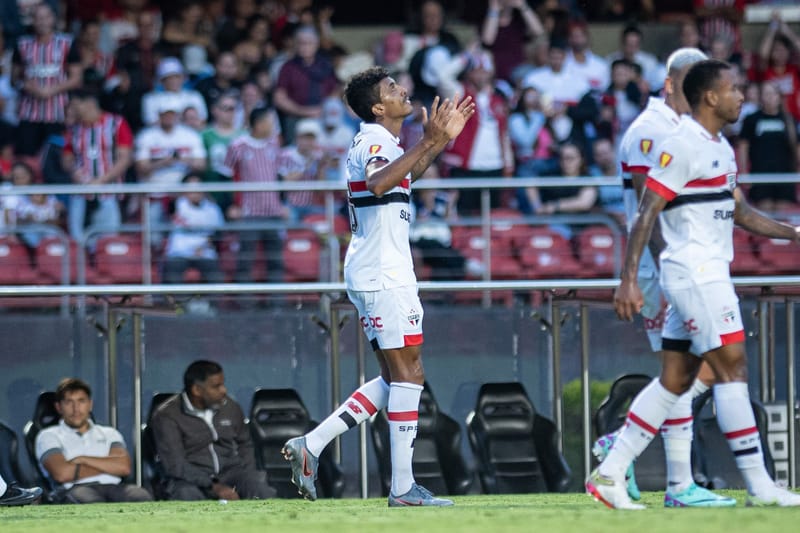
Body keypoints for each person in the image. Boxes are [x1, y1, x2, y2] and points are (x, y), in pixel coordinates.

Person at [587, 59, 800, 510]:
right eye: (734, 89)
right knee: (732, 369)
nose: (741, 96)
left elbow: (739, 211)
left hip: (705, 272)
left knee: (676, 381)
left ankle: (610, 471)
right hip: (695, 273)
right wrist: (628, 279)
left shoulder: (719, 146)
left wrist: (793, 232)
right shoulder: (681, 144)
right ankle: (760, 485)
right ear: (710, 96)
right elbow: (646, 212)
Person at [282, 66, 474, 507]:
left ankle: (312, 444)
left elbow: (403, 177)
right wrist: (429, 140)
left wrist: (439, 142)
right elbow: (379, 181)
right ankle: (402, 488)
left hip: (380, 269)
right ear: (377, 108)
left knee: (396, 377)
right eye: (391, 88)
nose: (402, 89)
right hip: (382, 272)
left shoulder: (384, 142)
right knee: (410, 374)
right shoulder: (375, 141)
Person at [591, 48, 738, 509]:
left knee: (692, 371)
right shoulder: (649, 131)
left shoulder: (685, 130)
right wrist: (661, 273)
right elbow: (648, 212)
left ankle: (627, 448)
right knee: (689, 370)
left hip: (680, 267)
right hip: (664, 270)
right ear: (672, 83)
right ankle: (676, 483)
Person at [150, 360, 274, 501]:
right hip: (188, 479)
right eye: (216, 386)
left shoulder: (230, 407)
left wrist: (248, 472)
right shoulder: (167, 415)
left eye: (223, 384)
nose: (224, 390)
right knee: (185, 494)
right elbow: (175, 464)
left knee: (259, 488)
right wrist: (213, 485)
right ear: (196, 390)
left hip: (231, 472)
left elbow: (245, 444)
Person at [35, 378, 153, 504]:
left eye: (81, 401)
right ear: (59, 407)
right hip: (74, 489)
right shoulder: (48, 436)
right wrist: (109, 466)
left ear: (90, 404)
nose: (76, 409)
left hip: (114, 487)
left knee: (140, 495)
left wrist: (82, 459)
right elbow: (62, 474)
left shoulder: (109, 433)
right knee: (89, 501)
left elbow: (124, 467)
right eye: (69, 402)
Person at [63, 88, 133, 246]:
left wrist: (101, 180)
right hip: (81, 193)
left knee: (108, 240)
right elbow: (67, 157)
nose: (72, 110)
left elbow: (124, 158)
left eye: (75, 105)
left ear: (89, 104)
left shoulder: (116, 123)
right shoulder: (74, 129)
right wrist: (74, 170)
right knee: (77, 241)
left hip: (109, 193)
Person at [224, 106, 285, 285]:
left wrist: (283, 203)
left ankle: (277, 300)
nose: (272, 126)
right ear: (258, 124)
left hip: (273, 212)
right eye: (269, 122)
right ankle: (244, 300)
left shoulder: (274, 145)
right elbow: (225, 177)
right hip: (249, 212)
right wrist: (232, 205)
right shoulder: (238, 146)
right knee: (245, 260)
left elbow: (280, 176)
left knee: (275, 260)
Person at [12, 2, 82, 156]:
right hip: (29, 114)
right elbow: (15, 78)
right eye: (38, 18)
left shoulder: (67, 43)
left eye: (46, 17)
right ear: (32, 20)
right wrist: (26, 85)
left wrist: (50, 90)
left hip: (58, 114)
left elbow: (76, 78)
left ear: (53, 19)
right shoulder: (22, 44)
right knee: (26, 158)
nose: (42, 22)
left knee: (55, 158)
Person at [736, 81, 798, 211]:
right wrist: (744, 172)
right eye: (766, 94)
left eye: (772, 94)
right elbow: (743, 147)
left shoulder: (789, 120)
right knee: (764, 214)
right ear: (761, 97)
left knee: (783, 216)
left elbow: (797, 148)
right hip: (760, 176)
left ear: (779, 97)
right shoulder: (751, 119)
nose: (769, 97)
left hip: (785, 176)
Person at [161, 172, 225, 285]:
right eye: (191, 188)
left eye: (198, 187)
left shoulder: (212, 208)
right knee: (171, 274)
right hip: (179, 253)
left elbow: (217, 234)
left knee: (215, 277)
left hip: (204, 252)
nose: (195, 192)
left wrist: (203, 247)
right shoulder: (176, 204)